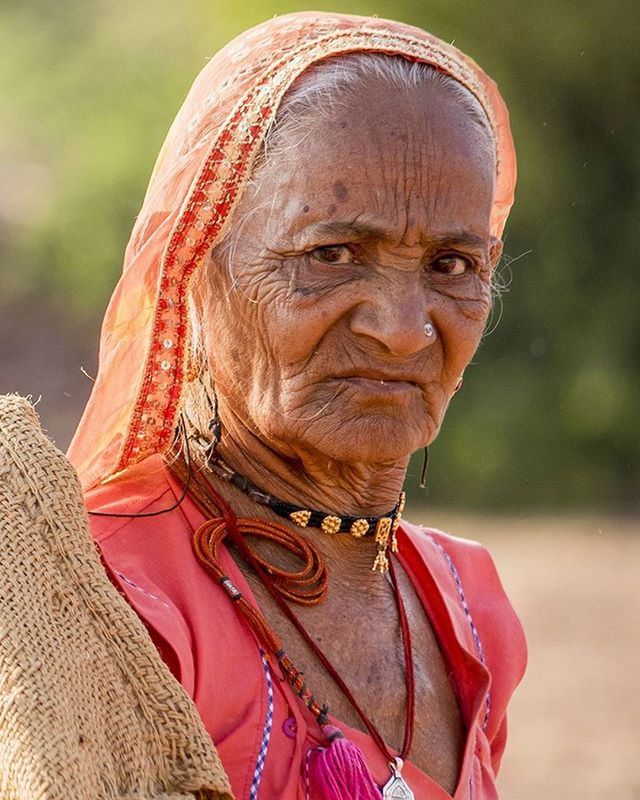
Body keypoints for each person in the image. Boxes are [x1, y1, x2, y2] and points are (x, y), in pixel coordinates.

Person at [69, 12, 526, 800]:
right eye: (331, 255)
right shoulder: (106, 595)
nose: (403, 330)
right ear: (197, 270)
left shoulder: (467, 605)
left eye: (453, 264)